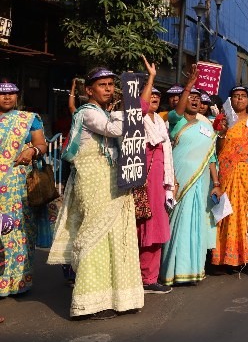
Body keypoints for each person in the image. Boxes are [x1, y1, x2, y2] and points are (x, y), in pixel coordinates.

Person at [48, 67, 144, 320]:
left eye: (111, 84)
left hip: (111, 182)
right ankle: (89, 304)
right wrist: (126, 106)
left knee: (115, 236)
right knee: (95, 236)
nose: (109, 89)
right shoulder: (88, 113)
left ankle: (118, 297)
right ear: (88, 91)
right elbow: (115, 130)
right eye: (103, 85)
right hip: (93, 182)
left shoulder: (104, 112)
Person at [160, 67, 222, 286]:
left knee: (195, 223)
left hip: (201, 183)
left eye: (198, 98)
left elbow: (211, 156)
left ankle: (192, 270)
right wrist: (188, 86)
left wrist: (216, 183)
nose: (195, 101)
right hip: (179, 180)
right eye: (191, 97)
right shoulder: (175, 120)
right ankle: (170, 271)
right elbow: (178, 109)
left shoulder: (206, 125)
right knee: (177, 222)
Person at [0, 80, 46, 298]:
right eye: (2, 94)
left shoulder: (28, 120)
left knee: (19, 231)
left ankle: (19, 281)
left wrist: (33, 152)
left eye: (12, 94)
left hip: (18, 187)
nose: (7, 97)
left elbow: (42, 145)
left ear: (18, 96)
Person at [137, 58, 175, 294]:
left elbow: (167, 155)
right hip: (143, 182)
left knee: (157, 230)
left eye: (157, 98)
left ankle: (150, 277)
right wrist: (150, 77)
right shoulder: (136, 120)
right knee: (143, 229)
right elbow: (139, 105)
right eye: (150, 95)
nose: (153, 99)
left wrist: (172, 183)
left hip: (160, 182)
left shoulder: (160, 122)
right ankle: (142, 278)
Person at [211, 86, 248, 270]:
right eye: (235, 96)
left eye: (243, 96)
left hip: (245, 172)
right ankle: (221, 257)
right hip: (224, 173)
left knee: (243, 213)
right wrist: (222, 130)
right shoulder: (222, 120)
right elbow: (215, 146)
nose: (239, 99)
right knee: (223, 212)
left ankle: (242, 257)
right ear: (230, 100)